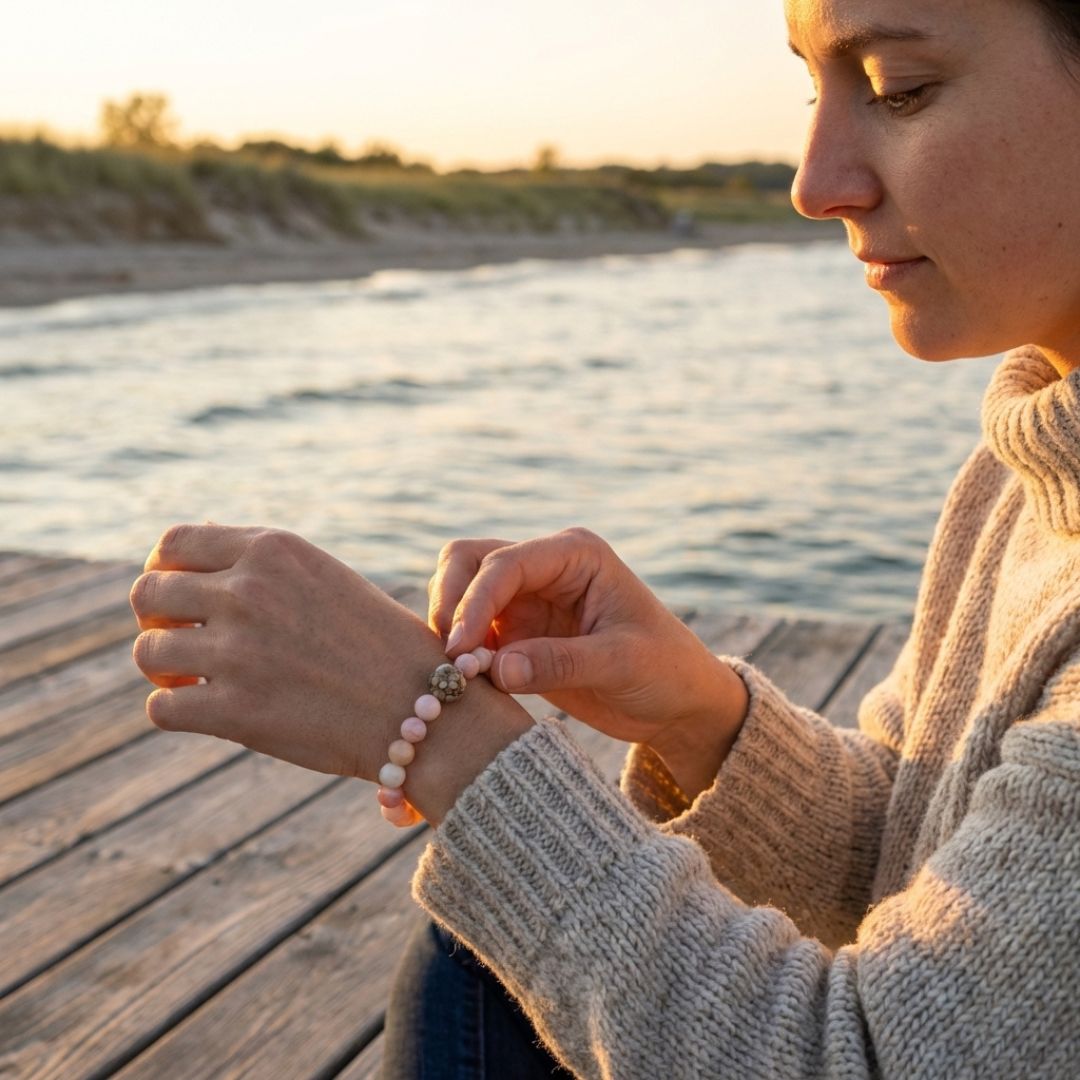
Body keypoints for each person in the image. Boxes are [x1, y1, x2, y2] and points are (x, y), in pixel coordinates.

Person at [129, 0, 1080, 1075]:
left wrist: (434, 733)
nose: (815, 185)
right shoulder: (1027, 465)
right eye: (815, 90)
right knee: (489, 932)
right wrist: (704, 717)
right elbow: (920, 872)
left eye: (899, 89)